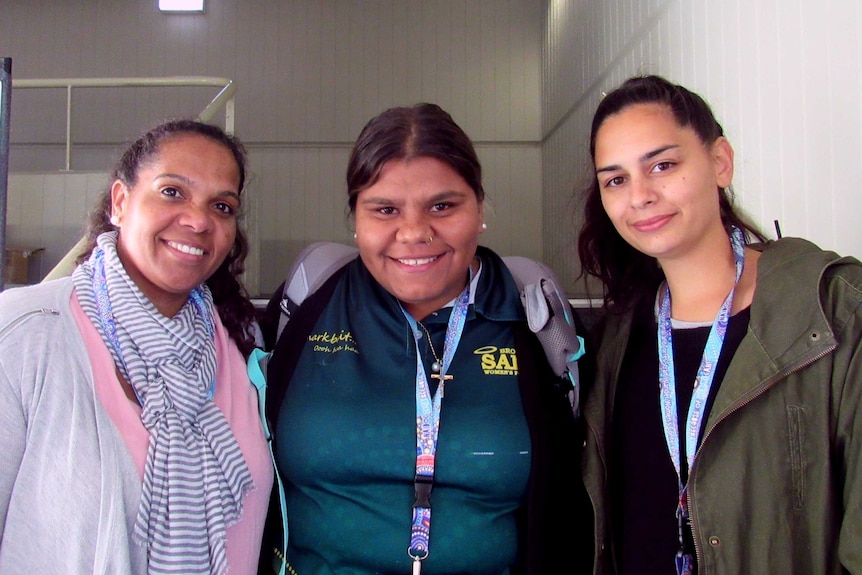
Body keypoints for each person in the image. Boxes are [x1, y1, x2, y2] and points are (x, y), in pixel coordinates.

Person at [260, 102, 592, 575]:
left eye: (442, 205)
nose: (414, 232)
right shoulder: (308, 305)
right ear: (355, 218)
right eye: (385, 209)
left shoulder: (534, 320)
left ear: (480, 207)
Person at [577, 74, 862, 574]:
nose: (640, 196)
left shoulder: (833, 312)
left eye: (662, 165)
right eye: (616, 179)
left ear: (719, 161)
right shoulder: (615, 342)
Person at [0, 119, 273, 575]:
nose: (198, 220)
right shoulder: (29, 332)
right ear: (120, 202)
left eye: (221, 206)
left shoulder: (238, 345)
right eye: (172, 192)